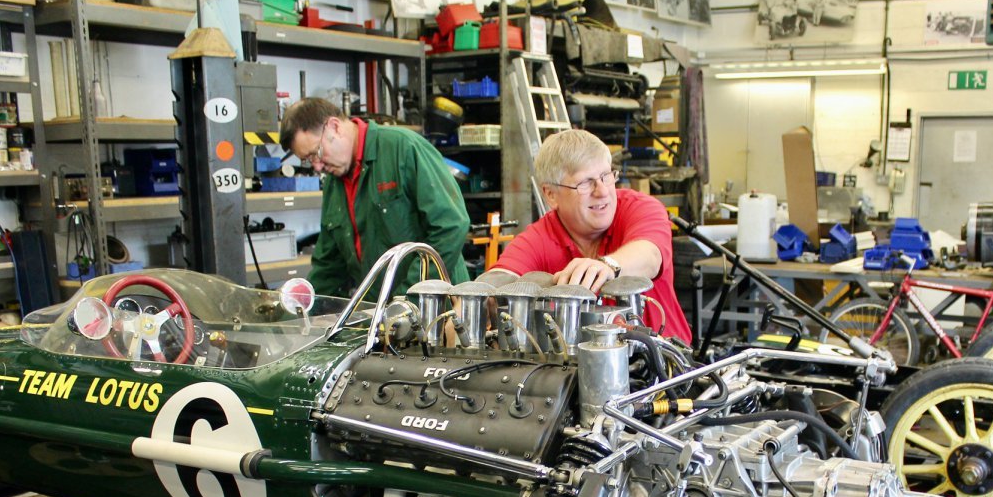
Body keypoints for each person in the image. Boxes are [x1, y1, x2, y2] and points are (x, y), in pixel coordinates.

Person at [492, 129, 692, 344]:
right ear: (551, 195)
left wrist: (608, 266)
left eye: (606, 176)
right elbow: (502, 278)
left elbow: (650, 255)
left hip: (666, 367)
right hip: (578, 371)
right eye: (585, 183)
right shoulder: (539, 238)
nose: (603, 191)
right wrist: (473, 306)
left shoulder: (641, 208)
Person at [279, 97, 470, 298]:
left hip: (438, 309)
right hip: (380, 314)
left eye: (316, 153)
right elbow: (329, 264)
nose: (317, 167)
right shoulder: (334, 183)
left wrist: (409, 297)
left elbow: (451, 226)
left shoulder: (403, 148)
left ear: (334, 127)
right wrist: (297, 312)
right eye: (308, 161)